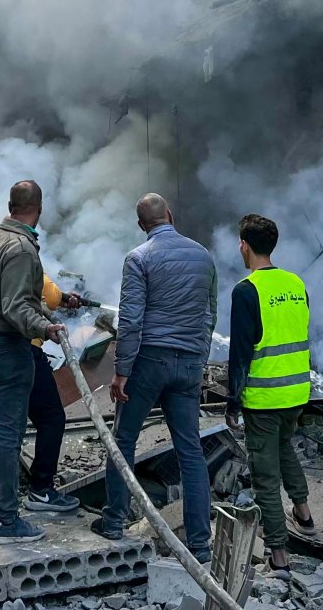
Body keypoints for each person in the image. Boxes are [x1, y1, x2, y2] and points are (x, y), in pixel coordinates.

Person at [91, 193, 218, 562]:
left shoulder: (139, 258)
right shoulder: (203, 255)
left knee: (124, 438)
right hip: (189, 364)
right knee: (190, 450)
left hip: (149, 362)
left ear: (141, 224)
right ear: (171, 215)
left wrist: (121, 372)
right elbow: (210, 315)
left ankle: (114, 520)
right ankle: (199, 544)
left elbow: (131, 320)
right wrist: (199, 357)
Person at [0, 181, 66, 545]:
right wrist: (46, 326)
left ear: (10, 205)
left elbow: (8, 297)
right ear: (38, 209)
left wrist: (45, 309)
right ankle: (7, 522)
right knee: (9, 435)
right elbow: (14, 306)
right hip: (9, 349)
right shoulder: (22, 248)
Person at [226, 214, 315, 571]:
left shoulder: (246, 290)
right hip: (297, 392)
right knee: (284, 447)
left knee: (264, 472)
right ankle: (304, 512)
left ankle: (278, 553)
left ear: (244, 246)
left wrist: (233, 400)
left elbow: (240, 353)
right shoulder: (296, 284)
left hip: (264, 397)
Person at [18, 275, 82, 513]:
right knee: (52, 418)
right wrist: (62, 298)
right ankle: (41, 489)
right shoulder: (23, 256)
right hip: (26, 349)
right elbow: (50, 294)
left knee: (0, 424)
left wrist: (65, 300)